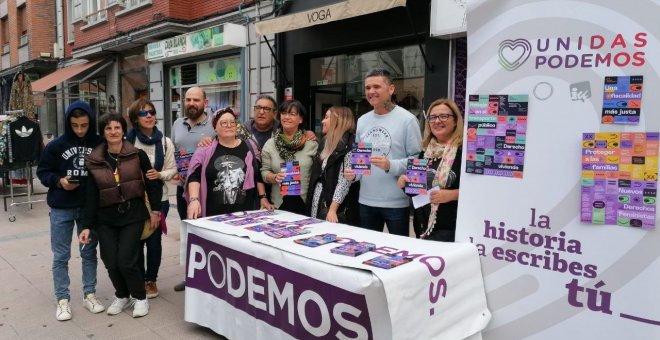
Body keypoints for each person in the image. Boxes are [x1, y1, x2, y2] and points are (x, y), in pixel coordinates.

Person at [78, 113, 162, 318]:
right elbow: (90, 195)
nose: (113, 132)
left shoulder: (137, 155)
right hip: (105, 218)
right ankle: (122, 295)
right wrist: (86, 225)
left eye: (117, 127)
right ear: (103, 132)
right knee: (110, 260)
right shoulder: (94, 160)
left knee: (126, 259)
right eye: (108, 128)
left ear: (124, 130)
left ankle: (140, 297)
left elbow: (152, 184)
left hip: (133, 214)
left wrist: (156, 211)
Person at [37, 100, 105, 321]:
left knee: (88, 253)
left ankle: (90, 294)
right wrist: (59, 181)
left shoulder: (98, 142)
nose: (79, 129)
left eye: (84, 125)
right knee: (61, 256)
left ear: (90, 122)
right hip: (61, 207)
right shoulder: (56, 145)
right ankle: (63, 300)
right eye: (75, 125)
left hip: (88, 207)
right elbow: (43, 172)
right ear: (68, 123)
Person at [344, 68, 422, 236]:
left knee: (399, 254)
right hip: (365, 201)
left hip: (396, 204)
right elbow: (360, 161)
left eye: (377, 87)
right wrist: (354, 174)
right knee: (368, 250)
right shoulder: (362, 121)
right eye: (367, 88)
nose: (371, 91)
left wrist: (390, 165)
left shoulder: (407, 120)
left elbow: (418, 161)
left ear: (391, 89)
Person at [126, 99, 177, 299]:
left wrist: (160, 175)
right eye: (143, 113)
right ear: (135, 119)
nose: (149, 115)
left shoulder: (165, 142)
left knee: (154, 241)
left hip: (159, 199)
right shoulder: (128, 141)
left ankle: (151, 280)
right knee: (136, 241)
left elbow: (173, 169)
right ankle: (138, 278)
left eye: (152, 112)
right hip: (135, 199)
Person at [185, 107, 273, 219]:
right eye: (224, 123)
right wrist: (194, 200)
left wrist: (263, 197)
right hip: (213, 215)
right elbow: (194, 176)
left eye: (232, 122)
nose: (229, 125)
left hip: (245, 214)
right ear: (215, 127)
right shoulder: (205, 149)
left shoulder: (250, 146)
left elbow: (258, 175)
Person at [397, 98, 463, 241]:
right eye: (432, 117)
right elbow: (418, 191)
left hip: (452, 230)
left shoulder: (464, 153)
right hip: (422, 227)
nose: (437, 121)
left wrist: (452, 195)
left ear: (456, 120)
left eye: (444, 116)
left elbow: (481, 192)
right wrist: (404, 184)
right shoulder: (425, 152)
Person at [170, 87, 216, 292]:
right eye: (188, 99)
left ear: (205, 103)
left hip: (207, 192)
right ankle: (191, 275)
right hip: (183, 190)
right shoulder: (177, 124)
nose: (191, 103)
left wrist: (213, 142)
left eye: (196, 100)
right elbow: (173, 151)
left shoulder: (215, 123)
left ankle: (211, 277)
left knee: (208, 234)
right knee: (188, 232)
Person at [261, 100, 318, 214]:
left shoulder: (311, 144)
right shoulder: (270, 144)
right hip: (278, 204)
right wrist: (275, 177)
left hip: (305, 203)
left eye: (292, 114)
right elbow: (264, 172)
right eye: (283, 113)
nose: (286, 117)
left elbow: (317, 174)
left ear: (300, 119)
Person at [307, 106, 360, 225]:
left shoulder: (351, 144)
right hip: (319, 199)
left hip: (335, 207)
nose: (322, 121)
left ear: (338, 120)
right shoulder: (325, 142)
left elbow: (344, 182)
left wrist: (332, 209)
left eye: (326, 117)